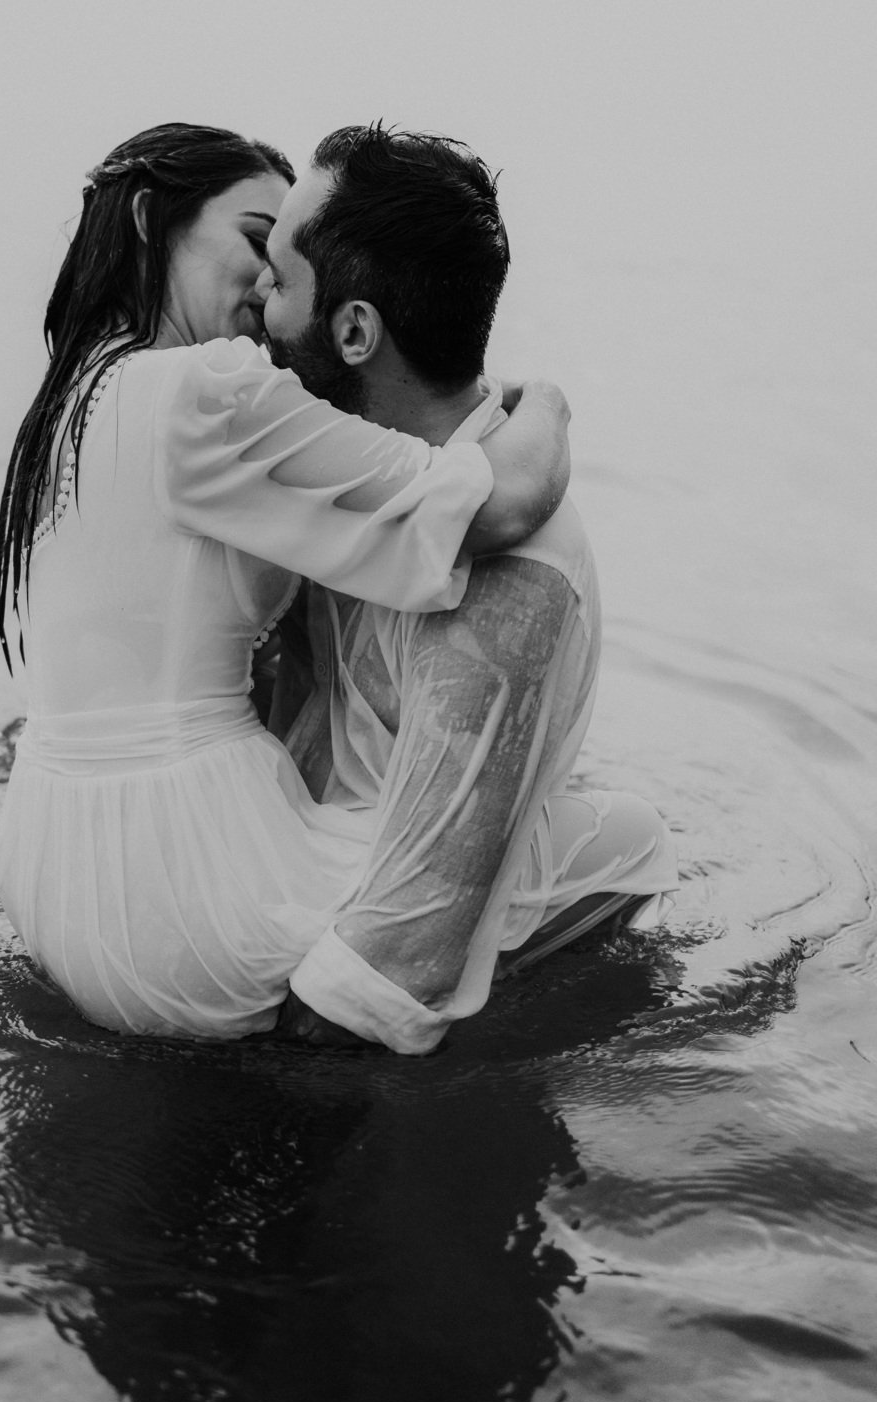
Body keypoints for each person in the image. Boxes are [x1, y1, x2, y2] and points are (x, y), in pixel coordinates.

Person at [0, 123, 571, 1042]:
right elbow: (496, 505)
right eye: (256, 239)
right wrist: (546, 405)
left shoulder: (73, 397)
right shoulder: (205, 388)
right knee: (601, 847)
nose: (269, 284)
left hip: (48, 863)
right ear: (148, 221)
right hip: (182, 894)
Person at [252, 125, 678, 1052]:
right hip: (297, 852)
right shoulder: (343, 471)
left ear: (354, 331)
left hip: (355, 914)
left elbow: (390, 966)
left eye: (278, 281)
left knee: (627, 837)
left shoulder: (505, 582)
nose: (254, 299)